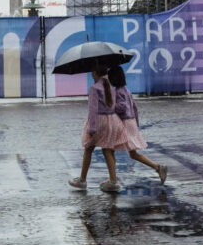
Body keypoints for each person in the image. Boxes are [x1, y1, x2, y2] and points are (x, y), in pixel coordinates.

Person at [68, 64, 128, 192]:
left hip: (99, 121)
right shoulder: (110, 86)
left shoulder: (95, 88)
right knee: (107, 150)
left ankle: (82, 180)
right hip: (111, 121)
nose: (91, 73)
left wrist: (92, 128)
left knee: (88, 149)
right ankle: (113, 181)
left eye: (92, 71)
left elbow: (93, 110)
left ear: (95, 73)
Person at [108, 66, 168, 184]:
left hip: (124, 123)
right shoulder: (126, 91)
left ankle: (112, 179)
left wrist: (110, 107)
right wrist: (136, 124)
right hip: (131, 122)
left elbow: (122, 107)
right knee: (133, 154)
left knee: (109, 150)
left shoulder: (118, 92)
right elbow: (134, 108)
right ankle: (158, 168)